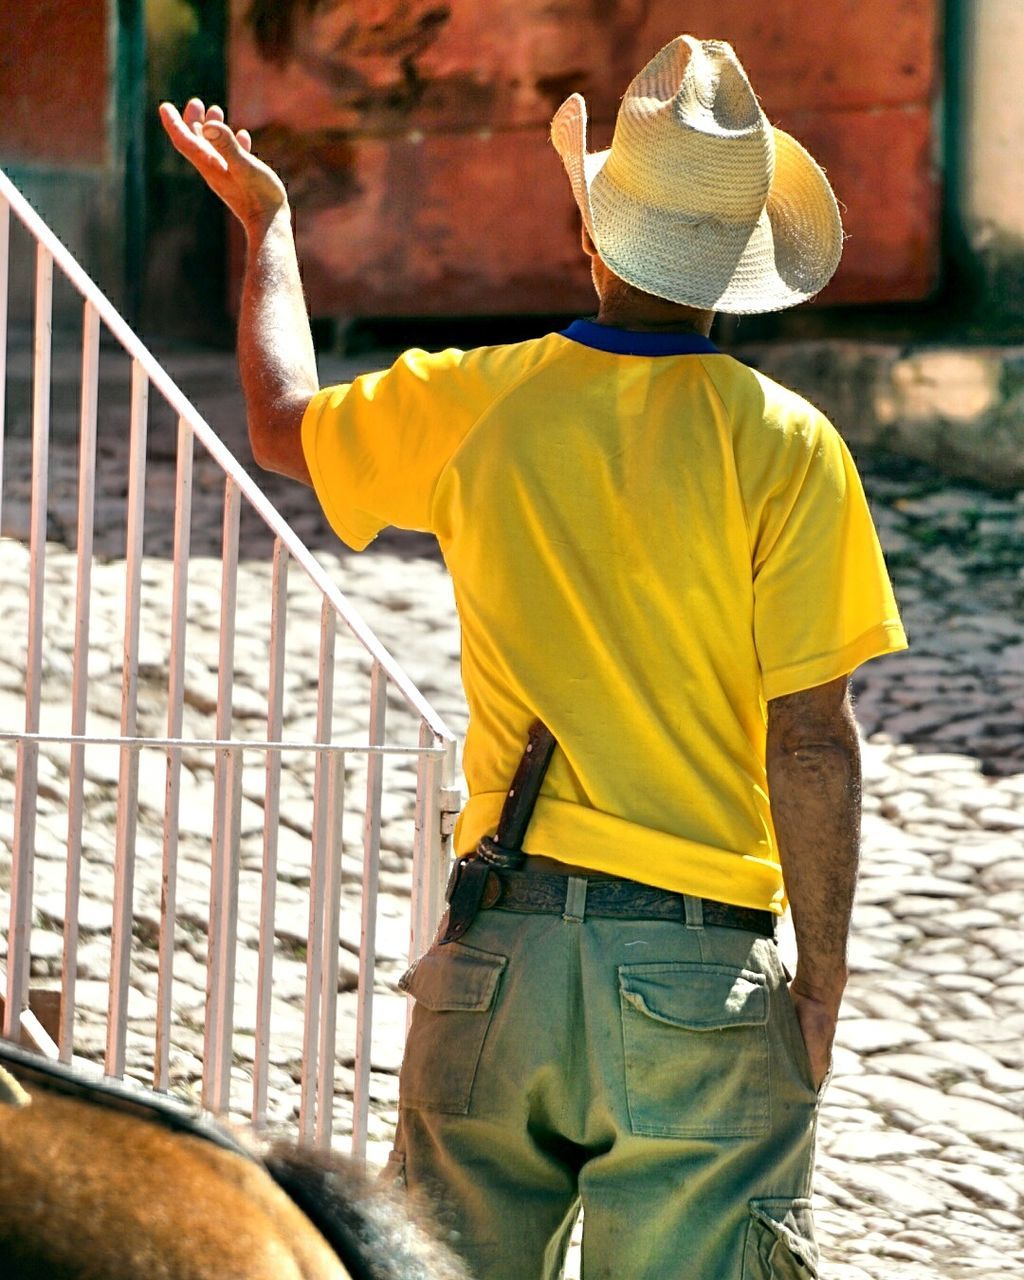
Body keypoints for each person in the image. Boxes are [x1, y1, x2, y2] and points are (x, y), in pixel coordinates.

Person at [161, 34, 907, 1279]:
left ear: (590, 239)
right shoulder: (788, 447)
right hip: (699, 969)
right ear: (732, 270)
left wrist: (270, 226)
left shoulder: (480, 399)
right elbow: (812, 741)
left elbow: (283, 421)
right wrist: (819, 986)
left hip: (498, 960)